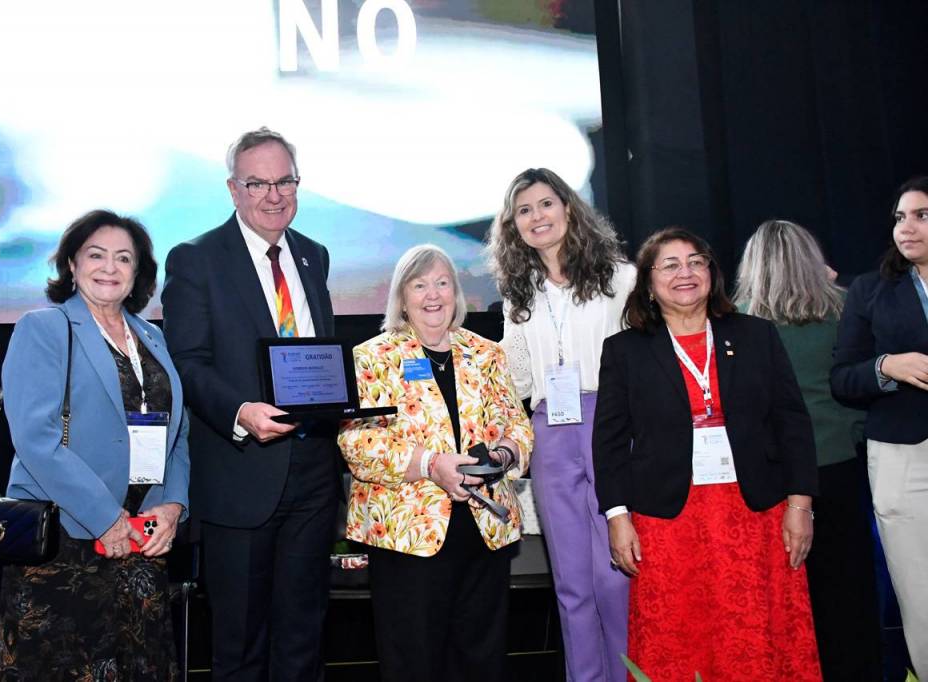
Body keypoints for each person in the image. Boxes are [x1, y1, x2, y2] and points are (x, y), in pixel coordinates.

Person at [593, 226, 821, 681]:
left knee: (757, 631)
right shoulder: (625, 351)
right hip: (668, 520)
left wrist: (801, 506)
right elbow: (610, 442)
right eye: (670, 265)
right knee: (679, 636)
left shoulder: (755, 335)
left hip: (755, 513)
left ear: (712, 273)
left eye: (696, 262)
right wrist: (618, 517)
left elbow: (792, 423)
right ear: (648, 282)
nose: (686, 273)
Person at [162, 127, 339, 681]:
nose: (274, 195)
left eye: (285, 181)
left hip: (314, 472)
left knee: (303, 638)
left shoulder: (312, 256)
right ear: (233, 189)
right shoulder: (195, 259)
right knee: (240, 647)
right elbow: (187, 362)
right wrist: (240, 412)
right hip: (241, 475)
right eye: (258, 183)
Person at [0, 210, 190, 680]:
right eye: (96, 255)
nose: (109, 268)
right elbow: (36, 440)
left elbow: (177, 431)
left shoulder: (152, 336)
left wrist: (172, 505)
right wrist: (105, 518)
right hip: (66, 543)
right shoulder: (44, 328)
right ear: (72, 264)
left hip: (141, 541)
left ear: (138, 272)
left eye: (123, 258)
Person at [338, 244, 533, 682]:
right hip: (408, 537)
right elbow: (358, 442)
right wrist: (431, 464)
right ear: (401, 296)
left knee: (482, 662)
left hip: (485, 532)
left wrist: (502, 455)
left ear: (456, 292)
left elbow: (518, 427)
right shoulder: (373, 357)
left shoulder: (487, 353)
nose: (433, 295)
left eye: (442, 283)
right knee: (414, 663)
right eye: (419, 284)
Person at [486, 167, 634, 682]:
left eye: (545, 204)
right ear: (514, 226)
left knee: (615, 577)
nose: (537, 217)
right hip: (550, 427)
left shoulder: (620, 278)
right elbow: (517, 377)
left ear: (568, 207)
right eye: (524, 211)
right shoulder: (520, 292)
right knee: (571, 582)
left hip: (610, 423)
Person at [735, 219, 881, 681]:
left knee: (787, 593)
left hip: (773, 473)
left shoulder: (737, 323)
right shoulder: (845, 309)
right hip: (841, 463)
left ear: (753, 264)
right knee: (851, 587)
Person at [831, 176, 928, 679]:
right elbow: (843, 378)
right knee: (920, 597)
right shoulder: (870, 290)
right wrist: (887, 367)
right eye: (899, 217)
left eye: (921, 216)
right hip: (903, 455)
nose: (906, 228)